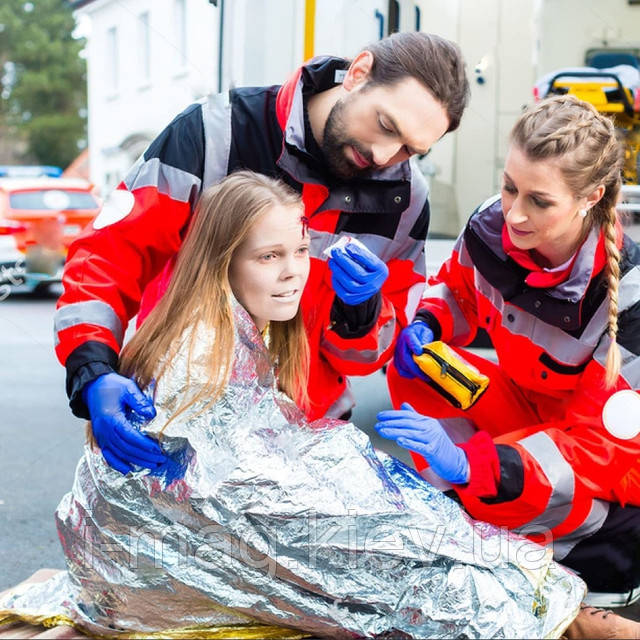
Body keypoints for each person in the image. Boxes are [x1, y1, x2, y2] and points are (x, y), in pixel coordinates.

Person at [0, 171, 585, 639]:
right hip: (151, 567)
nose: (294, 274)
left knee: (434, 540)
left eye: (301, 250)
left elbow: (276, 431)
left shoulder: (240, 325)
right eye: (268, 257)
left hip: (173, 546)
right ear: (221, 260)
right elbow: (229, 488)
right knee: (436, 576)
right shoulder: (200, 347)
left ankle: (545, 597)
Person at [53, 31, 470, 474]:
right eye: (386, 125)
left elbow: (368, 358)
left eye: (410, 149)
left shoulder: (405, 196)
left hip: (307, 440)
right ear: (359, 73)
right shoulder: (215, 133)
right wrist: (93, 369)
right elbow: (110, 255)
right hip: (179, 421)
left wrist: (361, 312)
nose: (385, 155)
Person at [376, 95, 640, 618]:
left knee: (515, 483)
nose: (515, 213)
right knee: (421, 366)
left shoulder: (629, 298)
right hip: (526, 409)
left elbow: (599, 449)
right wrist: (429, 323)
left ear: (592, 197)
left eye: (540, 201)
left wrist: (478, 464)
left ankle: (490, 510)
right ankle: (463, 502)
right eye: (509, 186)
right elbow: (458, 290)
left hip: (602, 465)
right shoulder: (489, 227)